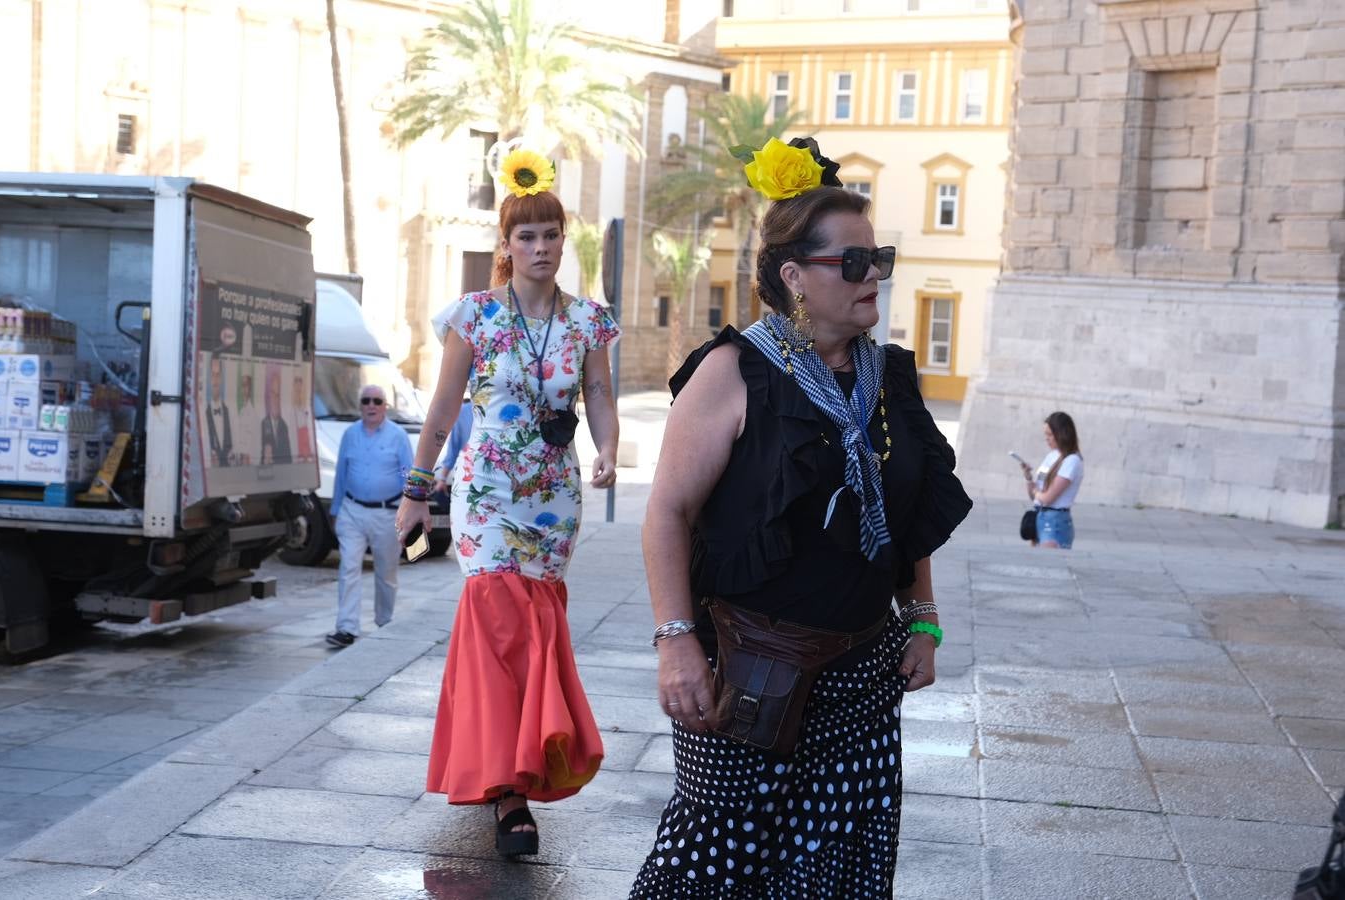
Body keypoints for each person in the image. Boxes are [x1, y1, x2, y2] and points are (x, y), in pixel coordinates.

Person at [629, 137, 973, 897]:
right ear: (794, 276)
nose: (872, 275)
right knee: (715, 866)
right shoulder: (731, 371)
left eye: (877, 257)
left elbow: (906, 513)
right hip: (750, 673)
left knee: (840, 873)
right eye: (851, 263)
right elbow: (667, 513)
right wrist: (676, 644)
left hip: (859, 679)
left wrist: (922, 616)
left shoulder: (889, 377)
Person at [395, 148, 619, 859]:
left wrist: (610, 447)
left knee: (535, 633)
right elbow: (439, 412)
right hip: (487, 493)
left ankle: (524, 765)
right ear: (507, 245)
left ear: (563, 241)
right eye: (527, 236)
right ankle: (508, 791)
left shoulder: (587, 321)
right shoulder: (475, 316)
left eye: (551, 234)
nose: (541, 247)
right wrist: (415, 489)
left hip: (553, 497)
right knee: (496, 624)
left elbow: (602, 396)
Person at [325, 384, 414, 648]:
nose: (371, 406)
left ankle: (385, 623)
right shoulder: (350, 434)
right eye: (366, 401)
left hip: (387, 513)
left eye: (377, 401)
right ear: (360, 405)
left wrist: (409, 511)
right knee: (348, 568)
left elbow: (408, 475)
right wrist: (335, 510)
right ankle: (347, 627)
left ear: (385, 406)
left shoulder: (398, 436)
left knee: (386, 573)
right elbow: (341, 472)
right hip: (353, 510)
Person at [1018, 411, 1083, 549]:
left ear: (1062, 434)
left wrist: (1037, 493)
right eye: (1045, 435)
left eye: (1050, 435)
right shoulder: (1052, 456)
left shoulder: (1072, 461)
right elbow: (1035, 496)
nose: (1047, 439)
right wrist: (1029, 478)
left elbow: (1048, 498)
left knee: (1045, 566)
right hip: (1040, 517)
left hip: (1055, 522)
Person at [430, 397, 473, 504]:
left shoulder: (463, 411)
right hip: (471, 478)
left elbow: (453, 449)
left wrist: (443, 479)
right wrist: (443, 479)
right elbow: (453, 449)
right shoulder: (463, 411)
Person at [204, 355, 233, 468]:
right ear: (209, 378)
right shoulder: (203, 414)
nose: (215, 380)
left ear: (221, 378)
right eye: (212, 375)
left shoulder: (229, 411)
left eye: (218, 375)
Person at [260, 365, 292, 465]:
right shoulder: (262, 424)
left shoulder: (285, 426)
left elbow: (289, 460)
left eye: (278, 395)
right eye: (273, 393)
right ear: (268, 396)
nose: (275, 399)